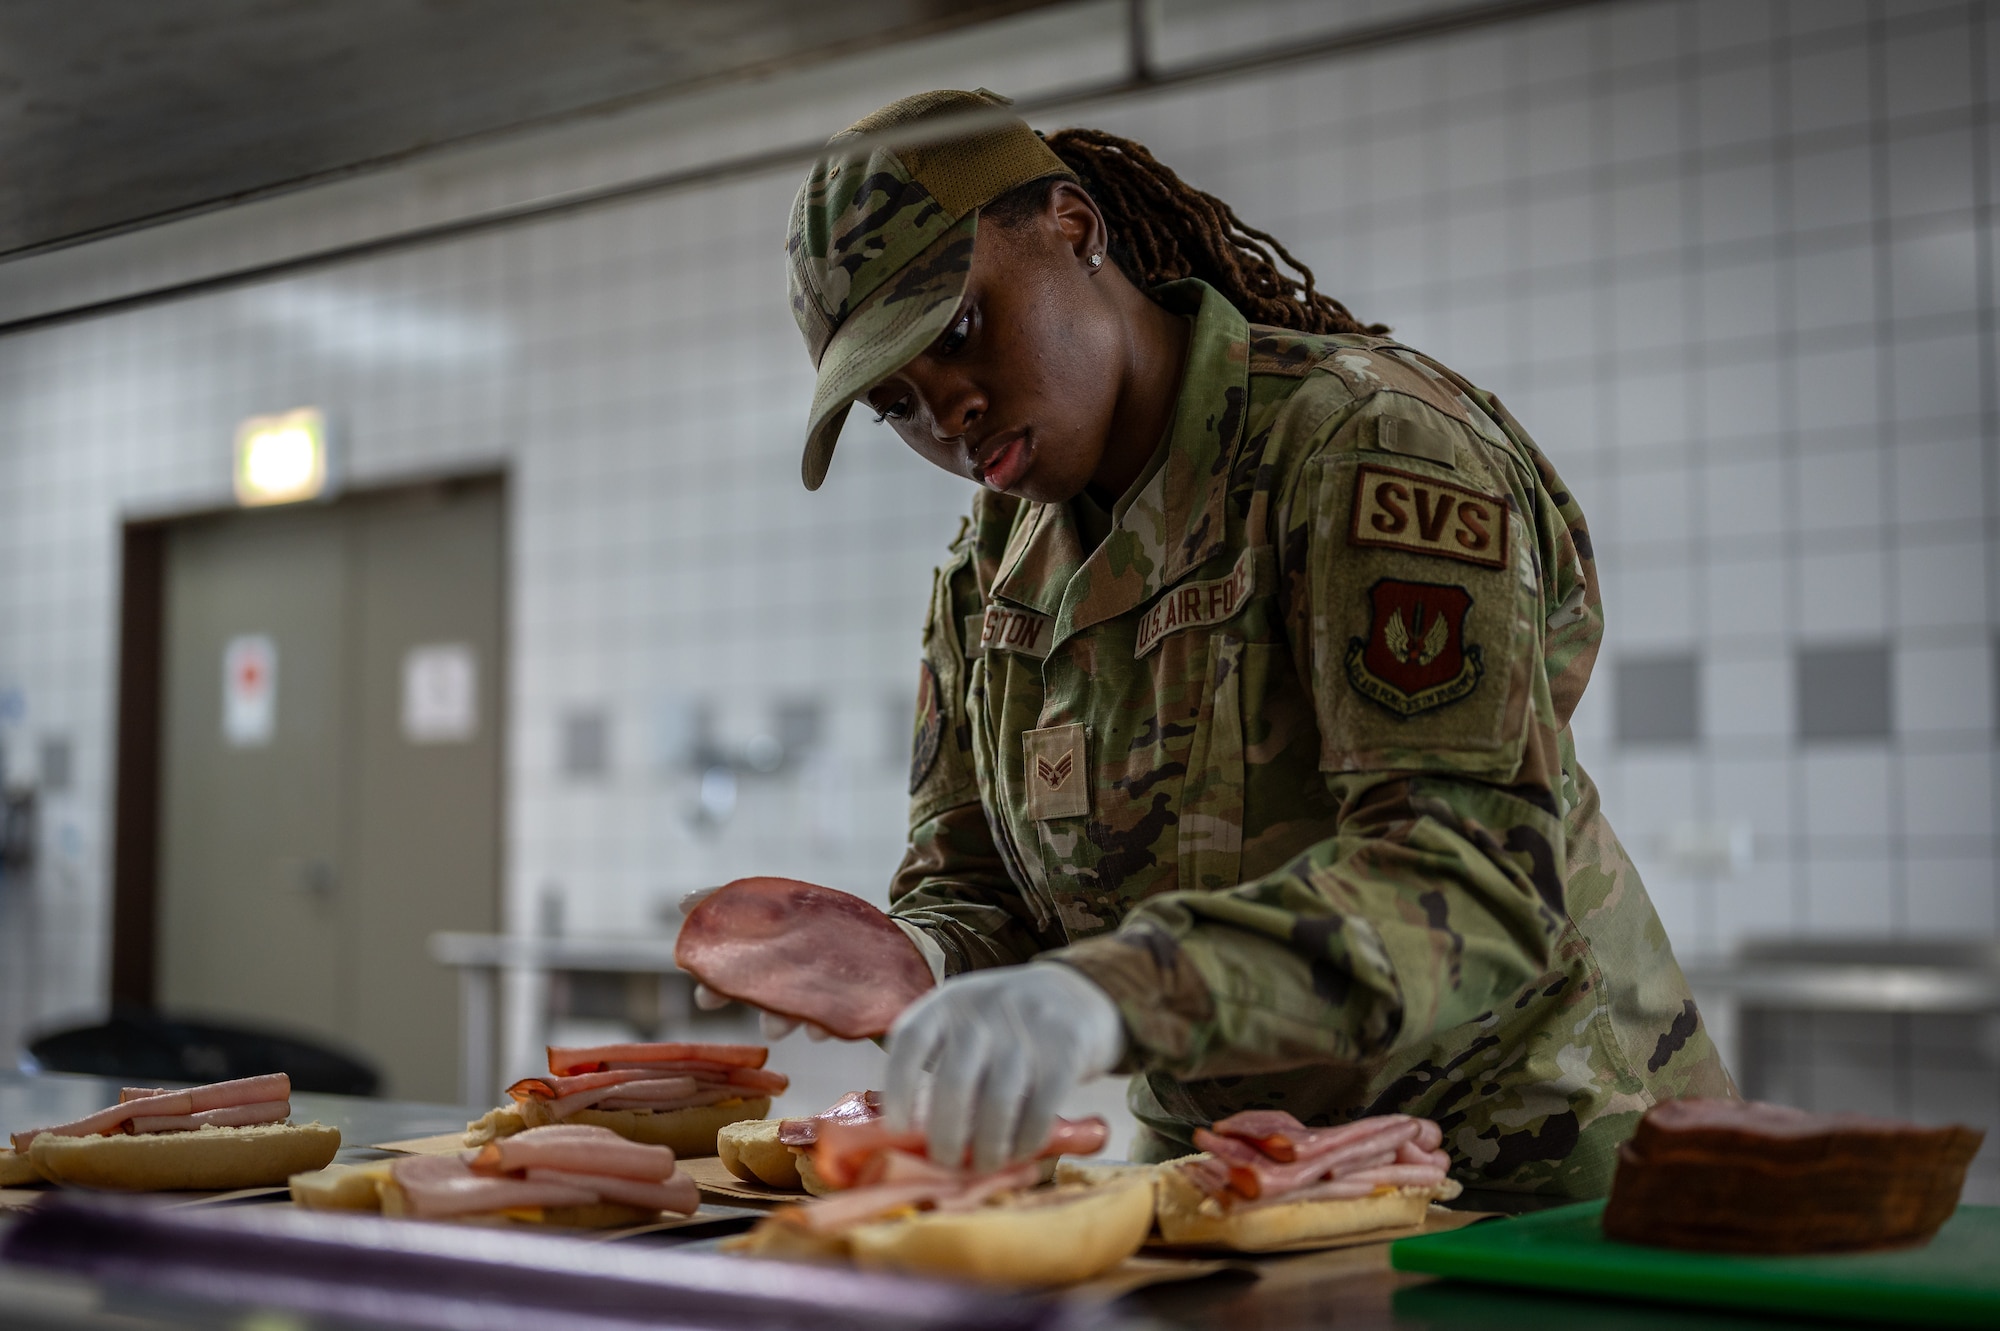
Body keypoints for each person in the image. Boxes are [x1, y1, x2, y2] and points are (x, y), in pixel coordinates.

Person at [713, 87, 1731, 1202]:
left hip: (1531, 1170)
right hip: (1239, 1185)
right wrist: (924, 959)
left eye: (957, 328)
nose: (945, 410)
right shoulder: (984, 581)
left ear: (1071, 225)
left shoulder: (1360, 448)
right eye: (893, 403)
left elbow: (1469, 875)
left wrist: (1107, 995)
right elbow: (973, 881)